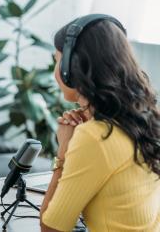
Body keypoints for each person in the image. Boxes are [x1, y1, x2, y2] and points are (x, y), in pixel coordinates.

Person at [40, 14, 160, 231]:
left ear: (70, 69)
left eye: (57, 61)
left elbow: (51, 228)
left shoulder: (95, 136)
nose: (55, 71)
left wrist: (64, 152)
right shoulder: (148, 118)